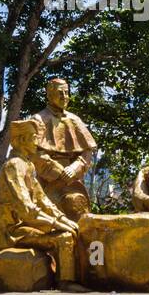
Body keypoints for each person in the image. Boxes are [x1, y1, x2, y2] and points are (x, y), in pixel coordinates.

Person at [0, 118, 86, 291]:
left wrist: (64, 219)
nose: (38, 142)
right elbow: (26, 208)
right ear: (20, 141)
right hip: (13, 232)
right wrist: (56, 223)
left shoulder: (27, 165)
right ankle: (66, 282)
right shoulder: (13, 166)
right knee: (64, 237)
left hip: (27, 227)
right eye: (34, 137)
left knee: (73, 231)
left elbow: (43, 200)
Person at [29, 78, 98, 221]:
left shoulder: (74, 120)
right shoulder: (39, 119)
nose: (64, 97)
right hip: (47, 181)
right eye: (60, 93)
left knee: (78, 214)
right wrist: (58, 171)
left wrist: (75, 168)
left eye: (66, 93)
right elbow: (34, 152)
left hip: (73, 182)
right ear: (49, 95)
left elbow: (87, 151)